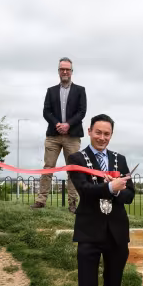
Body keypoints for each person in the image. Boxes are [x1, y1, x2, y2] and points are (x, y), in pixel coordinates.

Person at [67, 113, 137, 286]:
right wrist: (109, 187)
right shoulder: (77, 158)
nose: (102, 138)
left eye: (107, 134)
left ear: (111, 135)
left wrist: (118, 190)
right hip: (89, 232)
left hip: (116, 232)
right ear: (89, 131)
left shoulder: (120, 159)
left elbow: (130, 194)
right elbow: (84, 190)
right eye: (98, 132)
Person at [31, 57, 87, 213]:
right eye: (62, 69)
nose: (65, 72)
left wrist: (68, 124)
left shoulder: (80, 90)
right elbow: (46, 111)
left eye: (67, 69)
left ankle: (72, 204)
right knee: (48, 168)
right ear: (58, 71)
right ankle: (41, 201)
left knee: (73, 170)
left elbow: (82, 112)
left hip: (73, 136)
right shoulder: (51, 91)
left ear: (71, 72)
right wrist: (57, 124)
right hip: (53, 136)